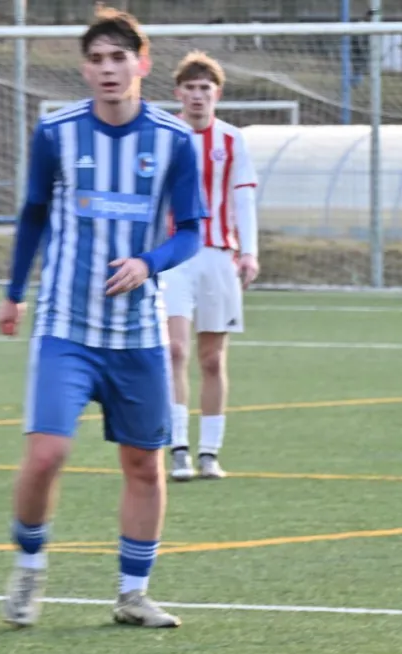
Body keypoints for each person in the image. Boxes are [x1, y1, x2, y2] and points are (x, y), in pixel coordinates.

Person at [0, 8, 205, 630]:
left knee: (145, 464)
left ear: (142, 64)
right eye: (97, 59)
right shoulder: (55, 133)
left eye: (119, 58)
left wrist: (148, 262)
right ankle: (29, 566)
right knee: (46, 454)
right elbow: (33, 214)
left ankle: (133, 594)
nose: (108, 69)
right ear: (85, 69)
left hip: (139, 333)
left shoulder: (173, 140)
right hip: (66, 326)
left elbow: (190, 231)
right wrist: (13, 292)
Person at [164, 51, 259, 482]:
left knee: (213, 359)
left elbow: (244, 197)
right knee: (174, 349)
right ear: (178, 93)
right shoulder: (165, 135)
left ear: (216, 94)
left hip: (219, 255)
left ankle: (209, 452)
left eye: (205, 88)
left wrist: (249, 252)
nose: (198, 95)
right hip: (173, 257)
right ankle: (179, 448)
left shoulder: (232, 140)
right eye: (191, 88)